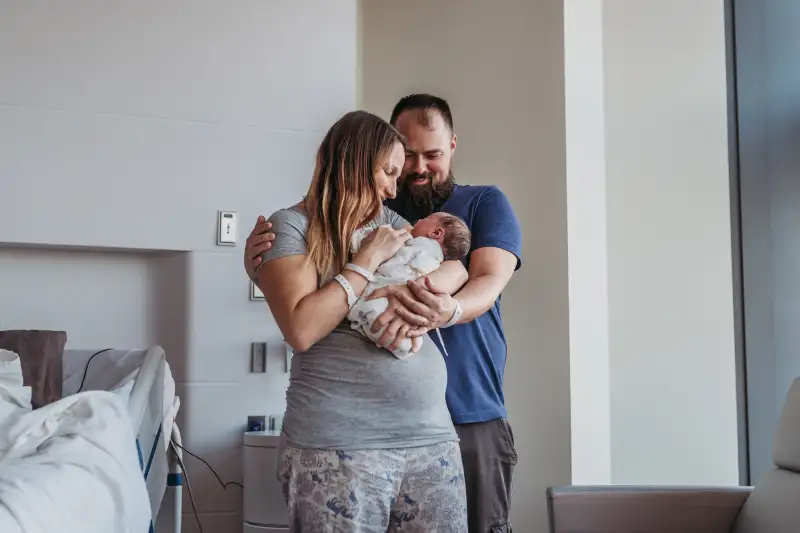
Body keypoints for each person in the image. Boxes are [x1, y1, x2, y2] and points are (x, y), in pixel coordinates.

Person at [246, 95, 522, 533]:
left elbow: (462, 267)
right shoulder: (294, 226)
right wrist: (364, 264)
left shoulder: (401, 218)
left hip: (437, 435)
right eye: (392, 168)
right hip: (341, 442)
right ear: (356, 163)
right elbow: (301, 328)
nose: (399, 183)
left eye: (424, 157)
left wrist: (432, 300)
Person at [348, 212, 471, 360]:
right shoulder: (433, 257)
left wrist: (415, 292)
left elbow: (460, 272)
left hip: (385, 303)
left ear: (436, 232)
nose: (418, 219)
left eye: (425, 218)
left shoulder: (416, 242)